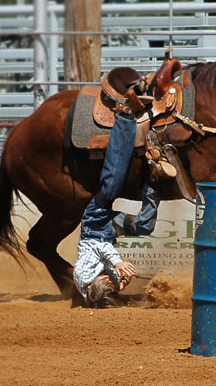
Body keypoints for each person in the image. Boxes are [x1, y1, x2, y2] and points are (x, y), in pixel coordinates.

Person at [73, 108, 162, 308]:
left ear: (93, 287)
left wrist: (117, 264)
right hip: (111, 229)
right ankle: (154, 179)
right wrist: (121, 280)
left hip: (95, 226)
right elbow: (108, 284)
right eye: (112, 286)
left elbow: (100, 246)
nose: (109, 281)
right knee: (144, 226)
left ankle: (124, 120)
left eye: (107, 283)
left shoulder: (82, 274)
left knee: (111, 185)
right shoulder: (101, 288)